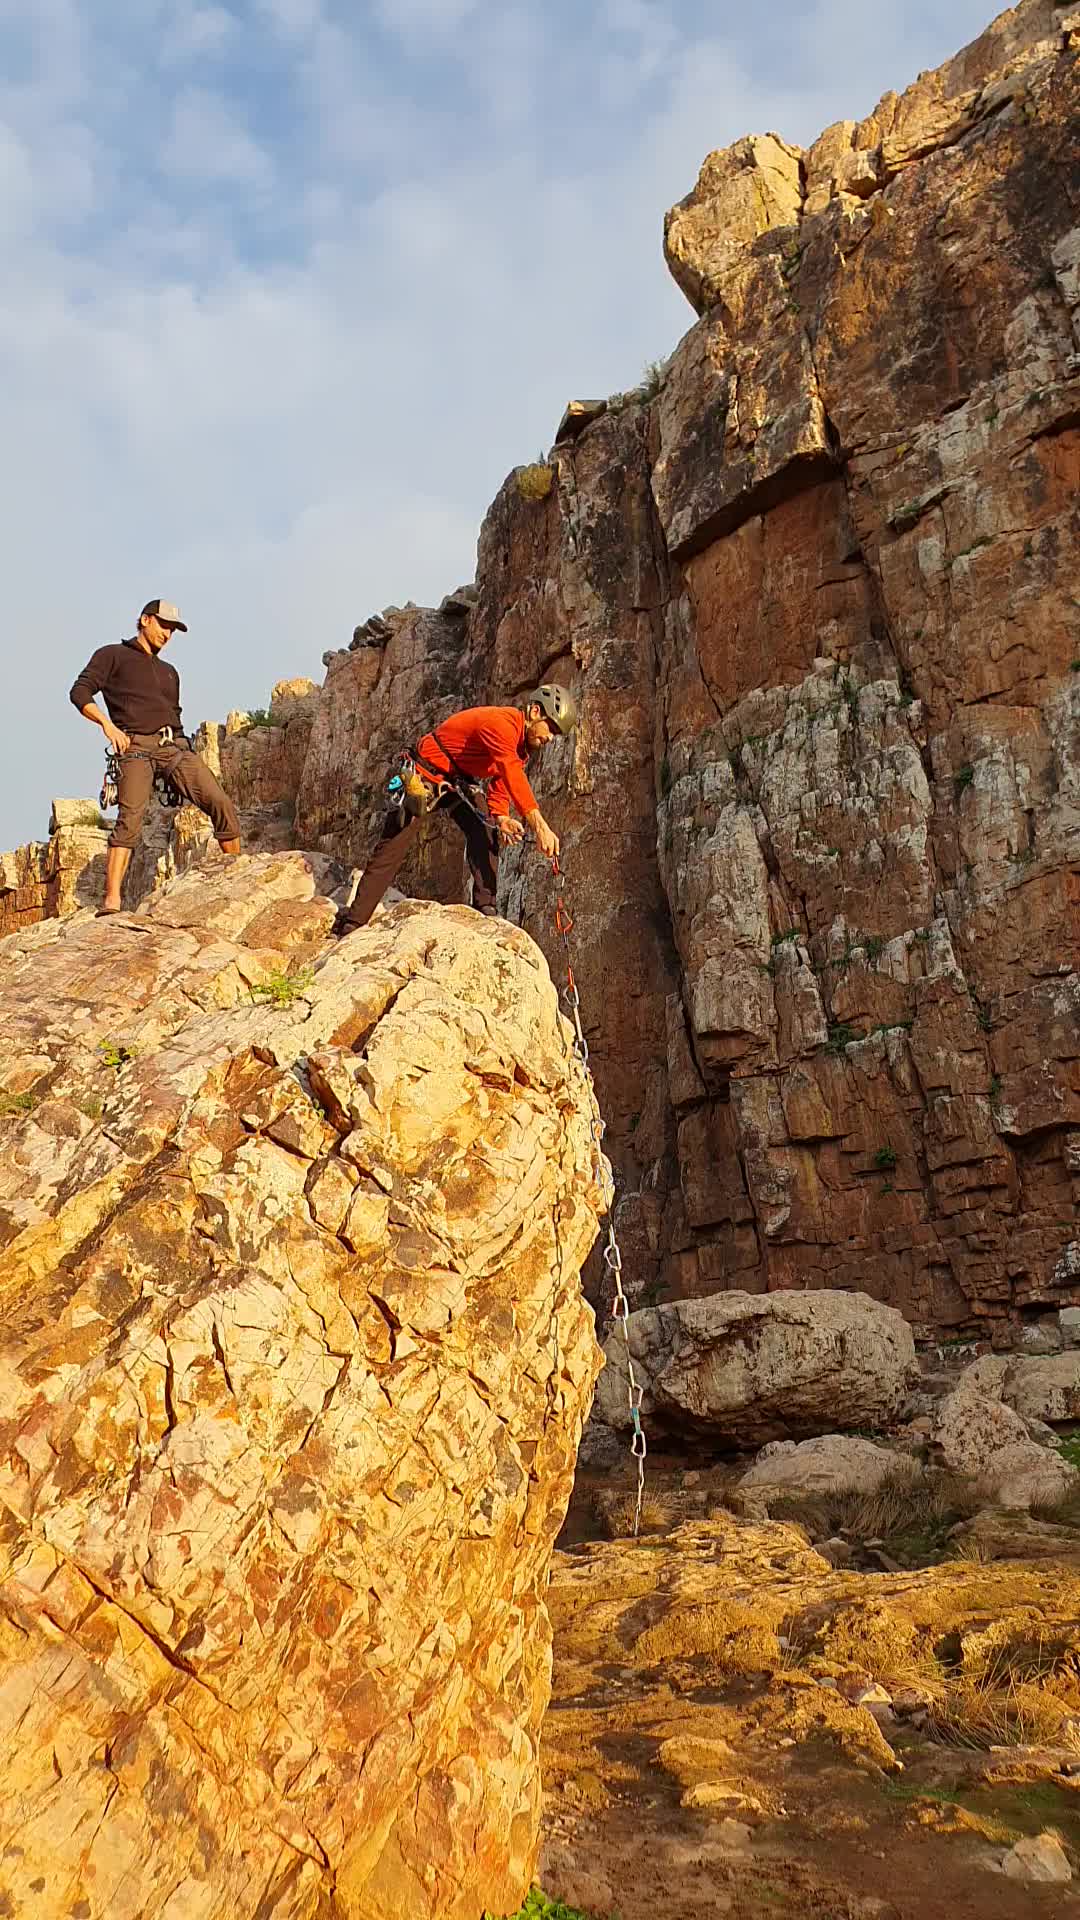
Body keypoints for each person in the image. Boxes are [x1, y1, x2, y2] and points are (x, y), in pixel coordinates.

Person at [333, 685, 577, 937]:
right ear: (535, 712)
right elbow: (511, 773)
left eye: (556, 734)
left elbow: (501, 781)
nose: (551, 738)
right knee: (393, 845)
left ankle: (486, 909)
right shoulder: (503, 724)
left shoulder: (521, 748)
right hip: (425, 772)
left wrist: (502, 817)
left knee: (484, 830)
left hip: (457, 779)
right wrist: (540, 827)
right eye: (551, 728)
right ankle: (354, 922)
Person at [69, 599, 241, 915]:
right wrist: (107, 726)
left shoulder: (169, 672)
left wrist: (184, 750)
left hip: (173, 747)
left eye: (173, 629)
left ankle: (238, 878)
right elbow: (79, 692)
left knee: (220, 801)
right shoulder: (112, 655)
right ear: (145, 620)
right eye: (164, 625)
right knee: (130, 820)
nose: (167, 634)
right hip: (135, 747)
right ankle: (111, 902)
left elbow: (175, 715)